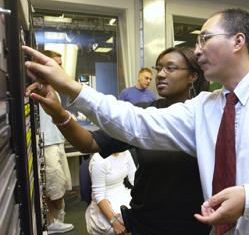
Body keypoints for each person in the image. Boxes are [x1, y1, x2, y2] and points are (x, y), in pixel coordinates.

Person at [23, 8, 249, 235]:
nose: (198, 49)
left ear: (238, 41)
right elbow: (136, 123)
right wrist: (71, 87)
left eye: (205, 39)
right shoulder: (205, 108)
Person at [26, 47, 211, 234]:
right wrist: (59, 114)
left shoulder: (208, 116)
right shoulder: (145, 112)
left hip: (194, 224)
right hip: (147, 223)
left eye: (170, 68)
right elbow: (88, 143)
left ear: (193, 76)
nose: (161, 74)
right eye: (159, 68)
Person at [39, 50, 74, 234]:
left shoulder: (53, 89)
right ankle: (50, 222)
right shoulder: (37, 86)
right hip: (47, 144)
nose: (60, 67)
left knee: (62, 184)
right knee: (53, 186)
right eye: (56, 63)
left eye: (61, 64)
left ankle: (56, 220)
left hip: (57, 141)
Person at [85, 151, 136, 235]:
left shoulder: (125, 152)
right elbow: (99, 196)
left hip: (122, 193)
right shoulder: (99, 160)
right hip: (104, 201)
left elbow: (134, 179)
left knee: (144, 213)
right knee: (125, 221)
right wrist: (114, 222)